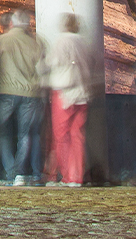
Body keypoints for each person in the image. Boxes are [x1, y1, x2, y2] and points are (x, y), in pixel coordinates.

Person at [0, 9, 44, 185]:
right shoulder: (35, 43)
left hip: (6, 91)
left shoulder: (1, 41)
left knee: (1, 132)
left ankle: (9, 170)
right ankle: (21, 173)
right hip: (30, 93)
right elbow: (42, 69)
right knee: (25, 134)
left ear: (12, 23)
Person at [42, 13, 92, 186]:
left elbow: (51, 62)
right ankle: (77, 176)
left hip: (64, 93)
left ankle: (66, 175)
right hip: (83, 93)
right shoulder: (84, 42)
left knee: (61, 136)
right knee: (78, 136)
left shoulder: (61, 41)